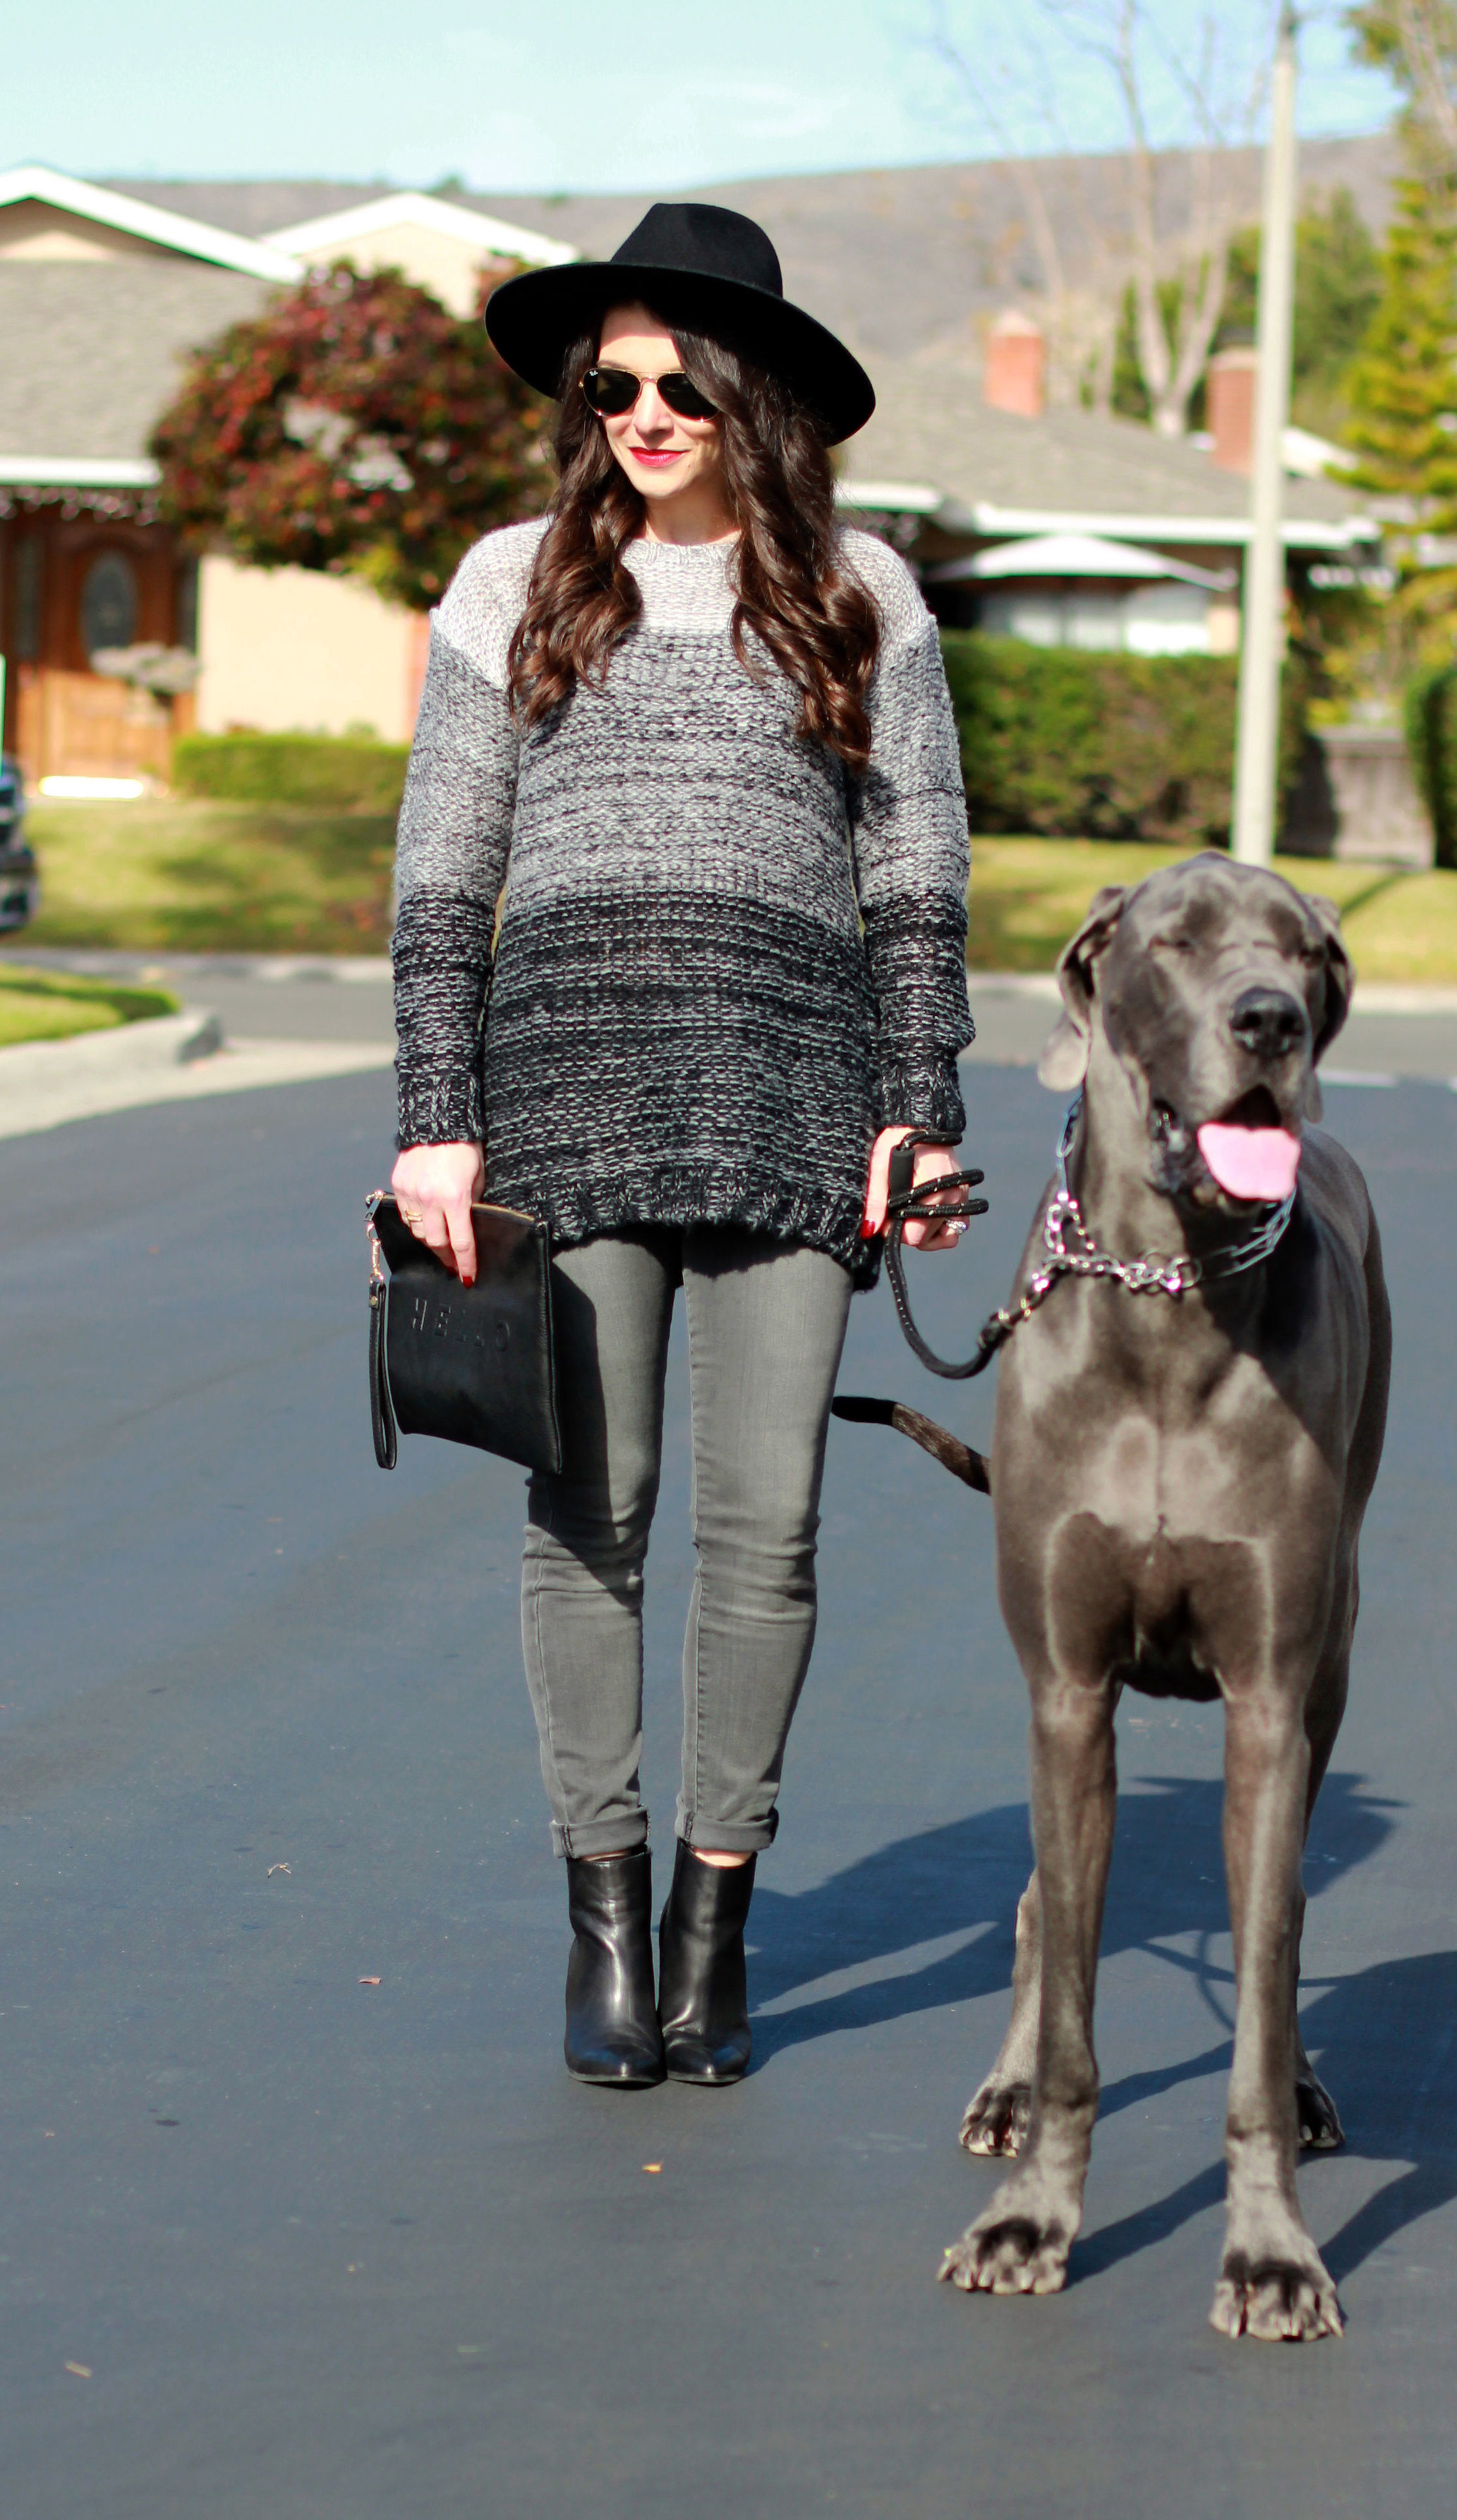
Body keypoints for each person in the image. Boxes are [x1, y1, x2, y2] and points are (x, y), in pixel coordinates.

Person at [387, 204, 975, 2092]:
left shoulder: (862, 592)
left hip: (798, 1108)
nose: (638, 411)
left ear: (754, 397)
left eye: (675, 381)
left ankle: (719, 1913)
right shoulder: (512, 583)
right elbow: (439, 876)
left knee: (765, 1527)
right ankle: (605, 1917)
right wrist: (435, 1123)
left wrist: (919, 1111)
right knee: (587, 1517)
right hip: (556, 1109)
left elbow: (914, 883)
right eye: (610, 380)